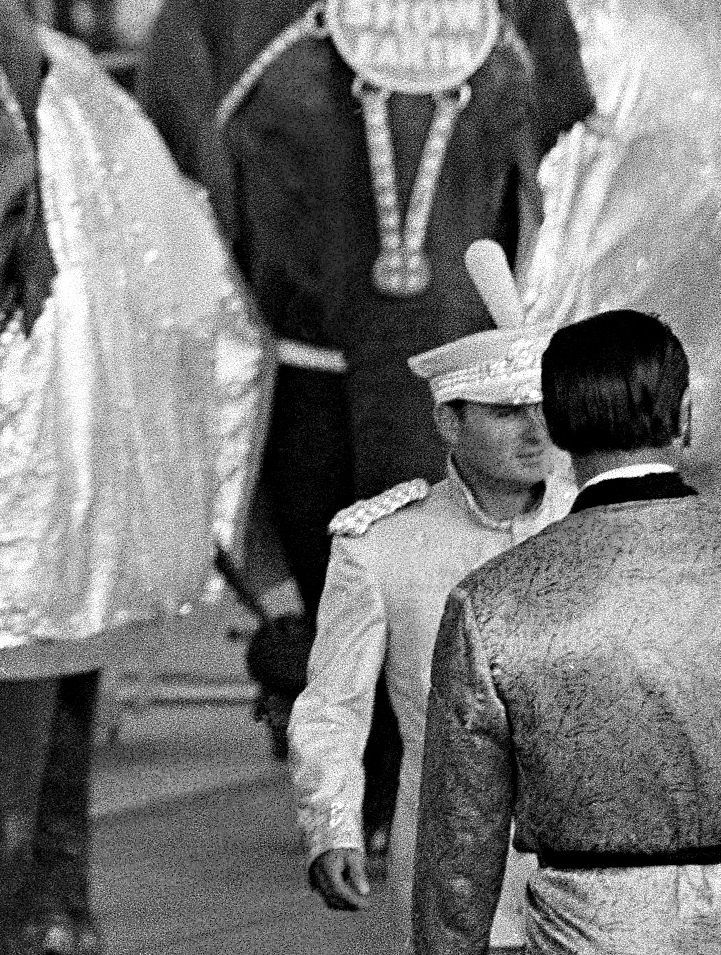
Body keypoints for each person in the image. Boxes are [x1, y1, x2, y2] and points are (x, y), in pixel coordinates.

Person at [414, 309, 721, 954]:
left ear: (557, 427)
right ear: (685, 415)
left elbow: (461, 840)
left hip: (590, 929)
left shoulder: (491, 601)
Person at [292, 239, 569, 948]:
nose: (535, 430)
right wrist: (334, 826)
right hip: (452, 860)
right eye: (507, 412)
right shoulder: (379, 545)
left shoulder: (594, 524)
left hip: (591, 862)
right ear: (450, 421)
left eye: (543, 407)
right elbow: (333, 706)